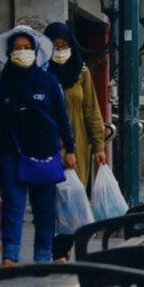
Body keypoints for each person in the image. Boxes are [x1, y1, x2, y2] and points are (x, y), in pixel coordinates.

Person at [0, 26, 76, 267]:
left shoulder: (49, 81)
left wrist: (69, 149)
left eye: (27, 48)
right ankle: (10, 255)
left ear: (35, 50)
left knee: (44, 209)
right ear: (9, 52)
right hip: (10, 153)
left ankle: (42, 255)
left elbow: (62, 118)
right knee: (12, 205)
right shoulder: (4, 82)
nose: (22, 52)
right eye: (17, 48)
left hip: (45, 154)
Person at [44, 22, 107, 262]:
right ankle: (52, 247)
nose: (60, 49)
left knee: (73, 196)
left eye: (64, 44)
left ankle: (63, 246)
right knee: (50, 198)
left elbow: (92, 111)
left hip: (77, 145)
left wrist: (99, 145)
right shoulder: (42, 73)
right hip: (47, 143)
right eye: (55, 45)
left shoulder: (81, 73)